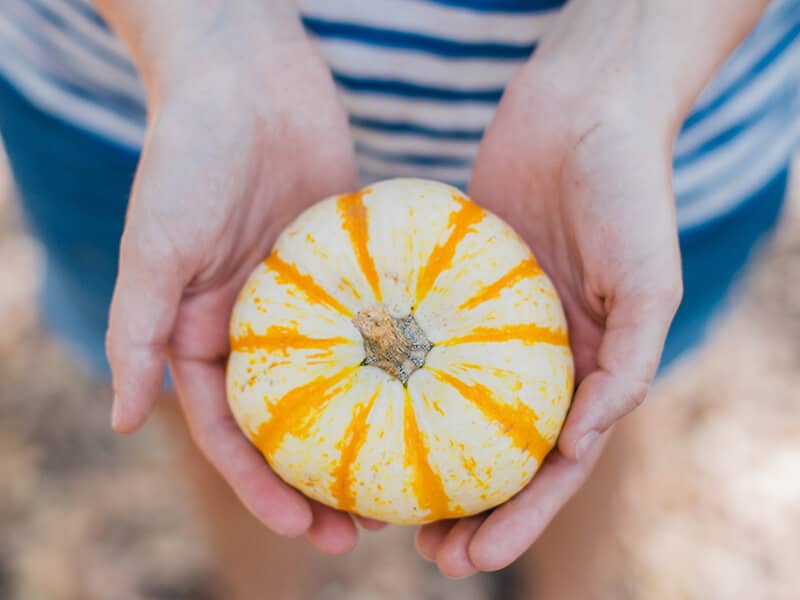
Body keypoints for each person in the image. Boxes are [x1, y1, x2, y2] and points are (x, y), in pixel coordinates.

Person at [1, 0, 798, 598]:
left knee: (599, 395)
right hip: (142, 83)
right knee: (208, 391)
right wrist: (202, 35)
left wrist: (632, 56)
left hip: (659, 104)